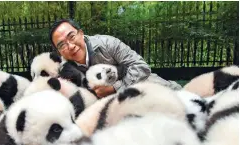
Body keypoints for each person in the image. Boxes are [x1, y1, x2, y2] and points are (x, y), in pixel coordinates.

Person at [49, 19, 182, 98]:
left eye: (71, 36)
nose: (70, 46)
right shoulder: (63, 69)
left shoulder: (107, 44)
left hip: (158, 92)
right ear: (58, 51)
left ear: (81, 34)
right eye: (61, 45)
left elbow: (141, 66)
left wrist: (115, 88)